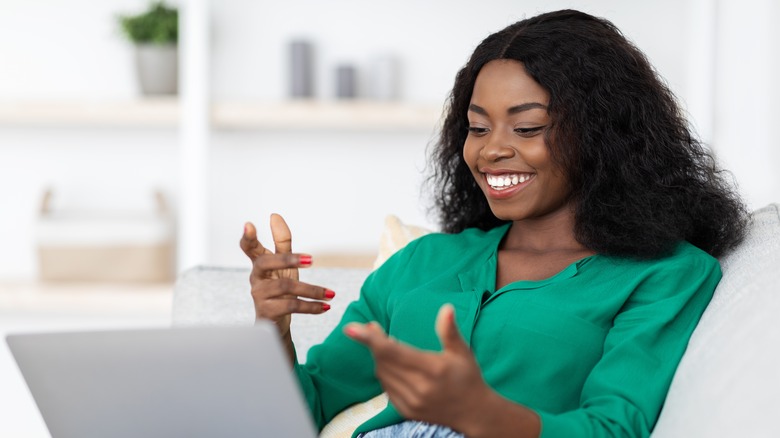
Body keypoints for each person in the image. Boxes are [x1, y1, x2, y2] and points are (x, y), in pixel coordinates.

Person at [240, 9, 748, 438]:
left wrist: (483, 415)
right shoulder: (422, 262)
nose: (491, 150)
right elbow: (304, 411)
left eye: (526, 127)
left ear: (603, 134)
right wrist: (273, 330)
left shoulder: (665, 273)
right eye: (478, 127)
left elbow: (616, 426)